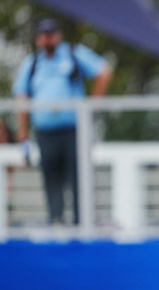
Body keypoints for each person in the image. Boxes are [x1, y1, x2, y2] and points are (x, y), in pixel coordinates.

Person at [12, 18, 112, 225]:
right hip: (45, 132)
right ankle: (55, 220)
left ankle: (81, 222)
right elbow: (22, 97)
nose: (47, 38)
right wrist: (23, 131)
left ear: (58, 35)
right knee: (51, 179)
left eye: (51, 33)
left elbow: (104, 71)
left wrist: (92, 106)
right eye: (43, 34)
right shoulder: (32, 63)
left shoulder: (73, 54)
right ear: (39, 39)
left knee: (78, 177)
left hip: (73, 130)